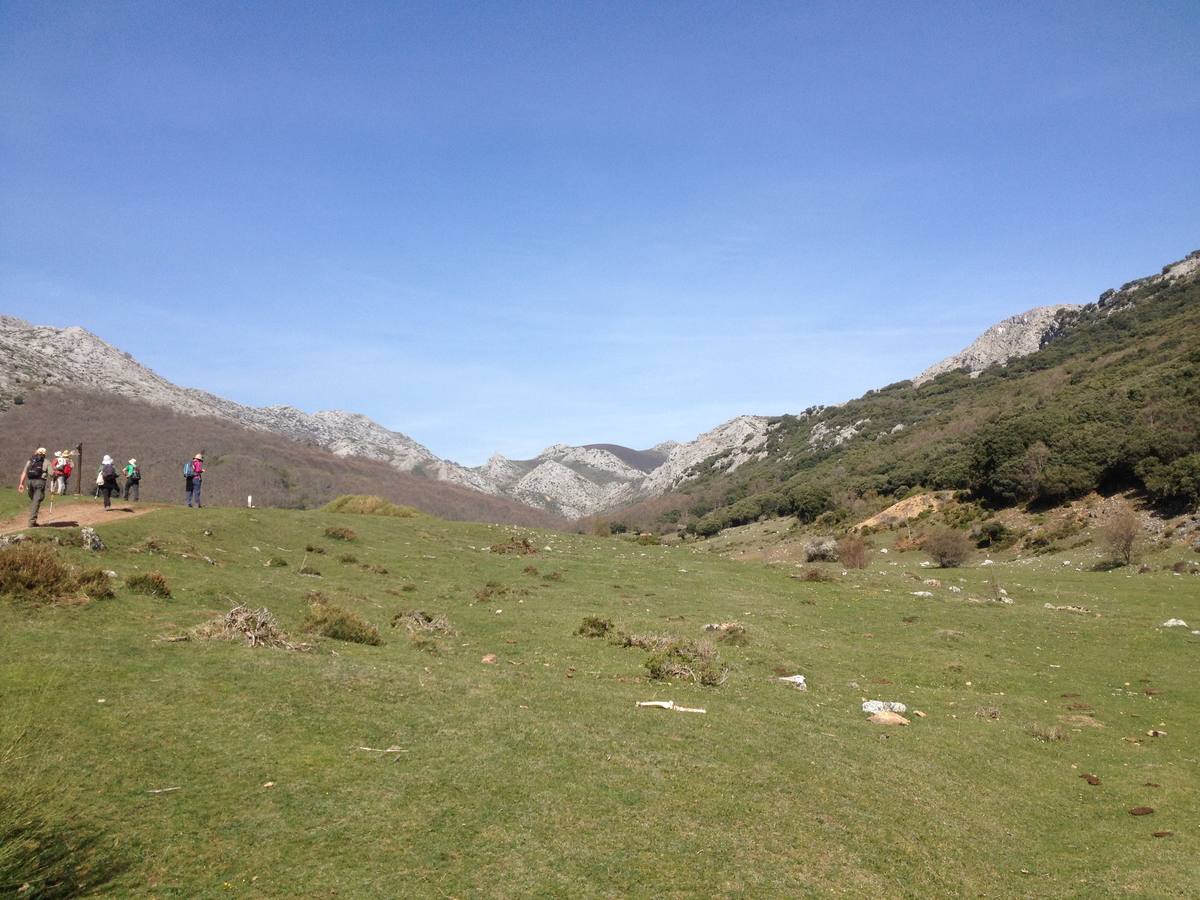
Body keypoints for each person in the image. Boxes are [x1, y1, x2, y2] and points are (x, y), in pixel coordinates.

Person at [17, 447, 49, 527]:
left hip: (30, 482)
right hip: (40, 482)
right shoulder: (45, 461)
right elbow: (51, 473)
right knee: (36, 501)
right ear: (45, 454)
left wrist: (21, 484)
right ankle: (31, 522)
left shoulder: (30, 461)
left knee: (34, 500)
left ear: (36, 452)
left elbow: (24, 472)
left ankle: (33, 518)